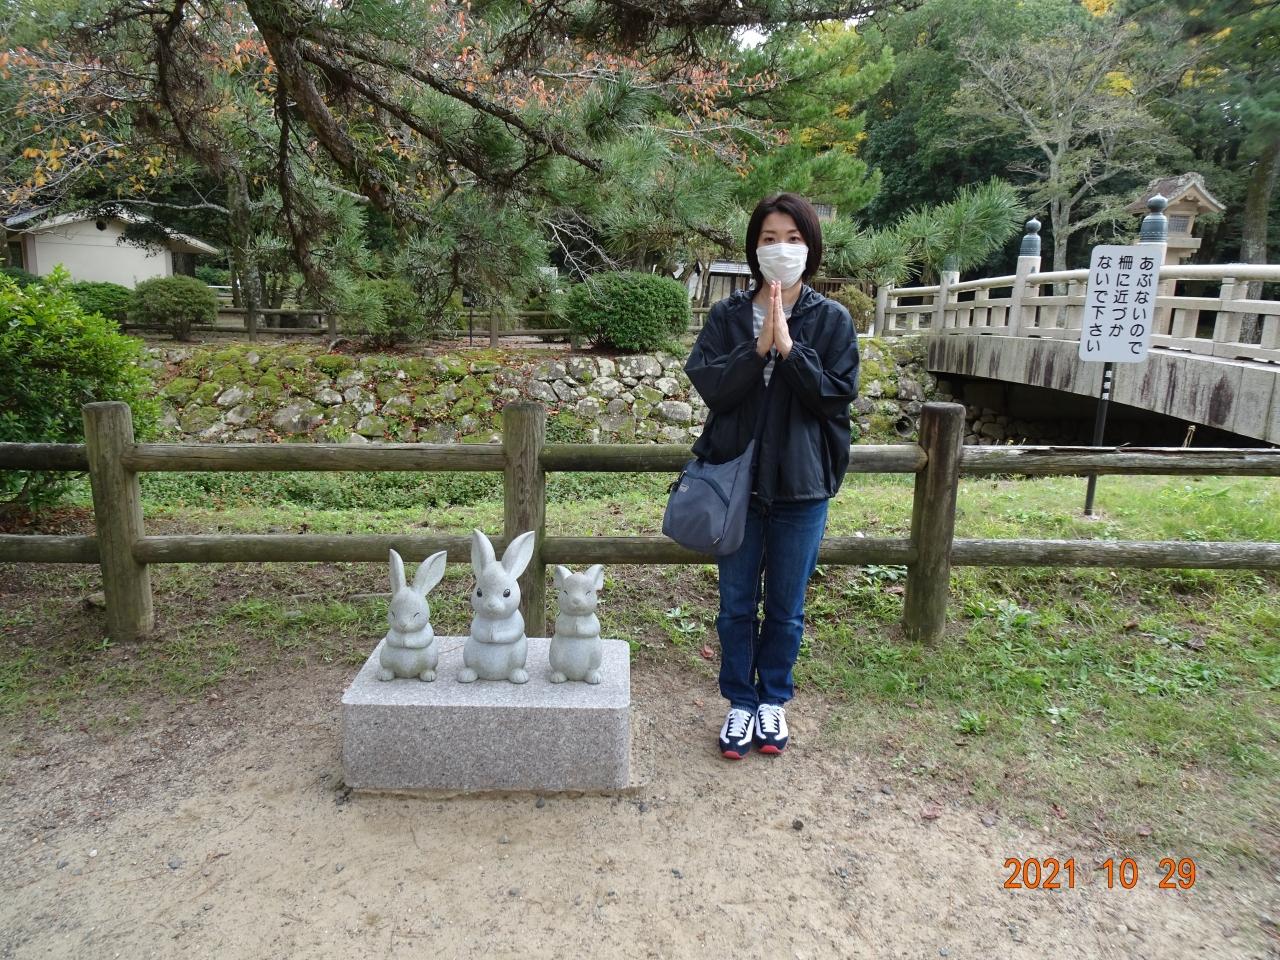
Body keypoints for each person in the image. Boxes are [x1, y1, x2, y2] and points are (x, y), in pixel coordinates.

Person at [684, 193, 860, 760]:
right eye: (768, 238)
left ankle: (772, 700)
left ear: (810, 247)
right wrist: (758, 348)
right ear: (753, 247)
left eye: (792, 238)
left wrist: (789, 348)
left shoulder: (830, 319)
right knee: (735, 604)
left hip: (801, 488)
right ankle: (740, 700)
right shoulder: (728, 316)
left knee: (786, 608)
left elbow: (834, 397)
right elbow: (713, 389)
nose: (780, 248)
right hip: (733, 487)